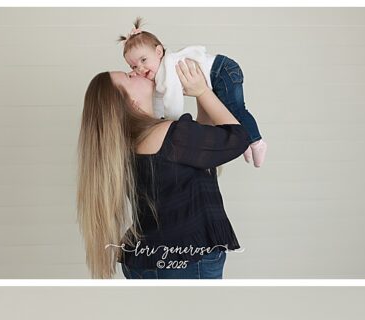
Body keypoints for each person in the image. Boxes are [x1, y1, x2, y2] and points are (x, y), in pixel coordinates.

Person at [76, 59, 250, 279]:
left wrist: (198, 94)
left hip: (144, 258)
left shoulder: (130, 143)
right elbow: (238, 138)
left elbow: (203, 148)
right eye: (129, 77)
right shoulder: (169, 134)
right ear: (132, 103)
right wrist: (204, 92)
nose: (135, 71)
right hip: (185, 262)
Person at [119, 17, 267, 166]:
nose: (140, 69)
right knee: (227, 114)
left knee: (236, 109)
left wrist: (172, 124)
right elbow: (158, 99)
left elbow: (173, 99)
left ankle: (257, 142)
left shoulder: (167, 68)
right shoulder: (158, 77)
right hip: (217, 74)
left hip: (221, 70)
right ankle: (247, 143)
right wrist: (157, 121)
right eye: (134, 67)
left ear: (158, 52)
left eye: (143, 60)